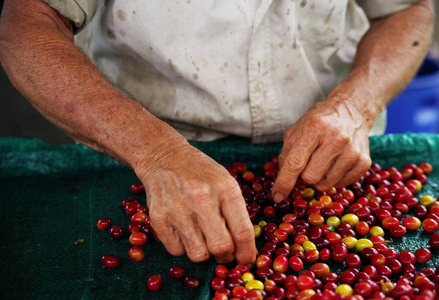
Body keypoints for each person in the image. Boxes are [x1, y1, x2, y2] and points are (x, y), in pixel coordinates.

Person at [0, 0, 434, 267]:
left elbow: (406, 8)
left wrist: (354, 106)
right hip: (138, 143)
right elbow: (24, 23)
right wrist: (154, 152)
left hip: (323, 147)